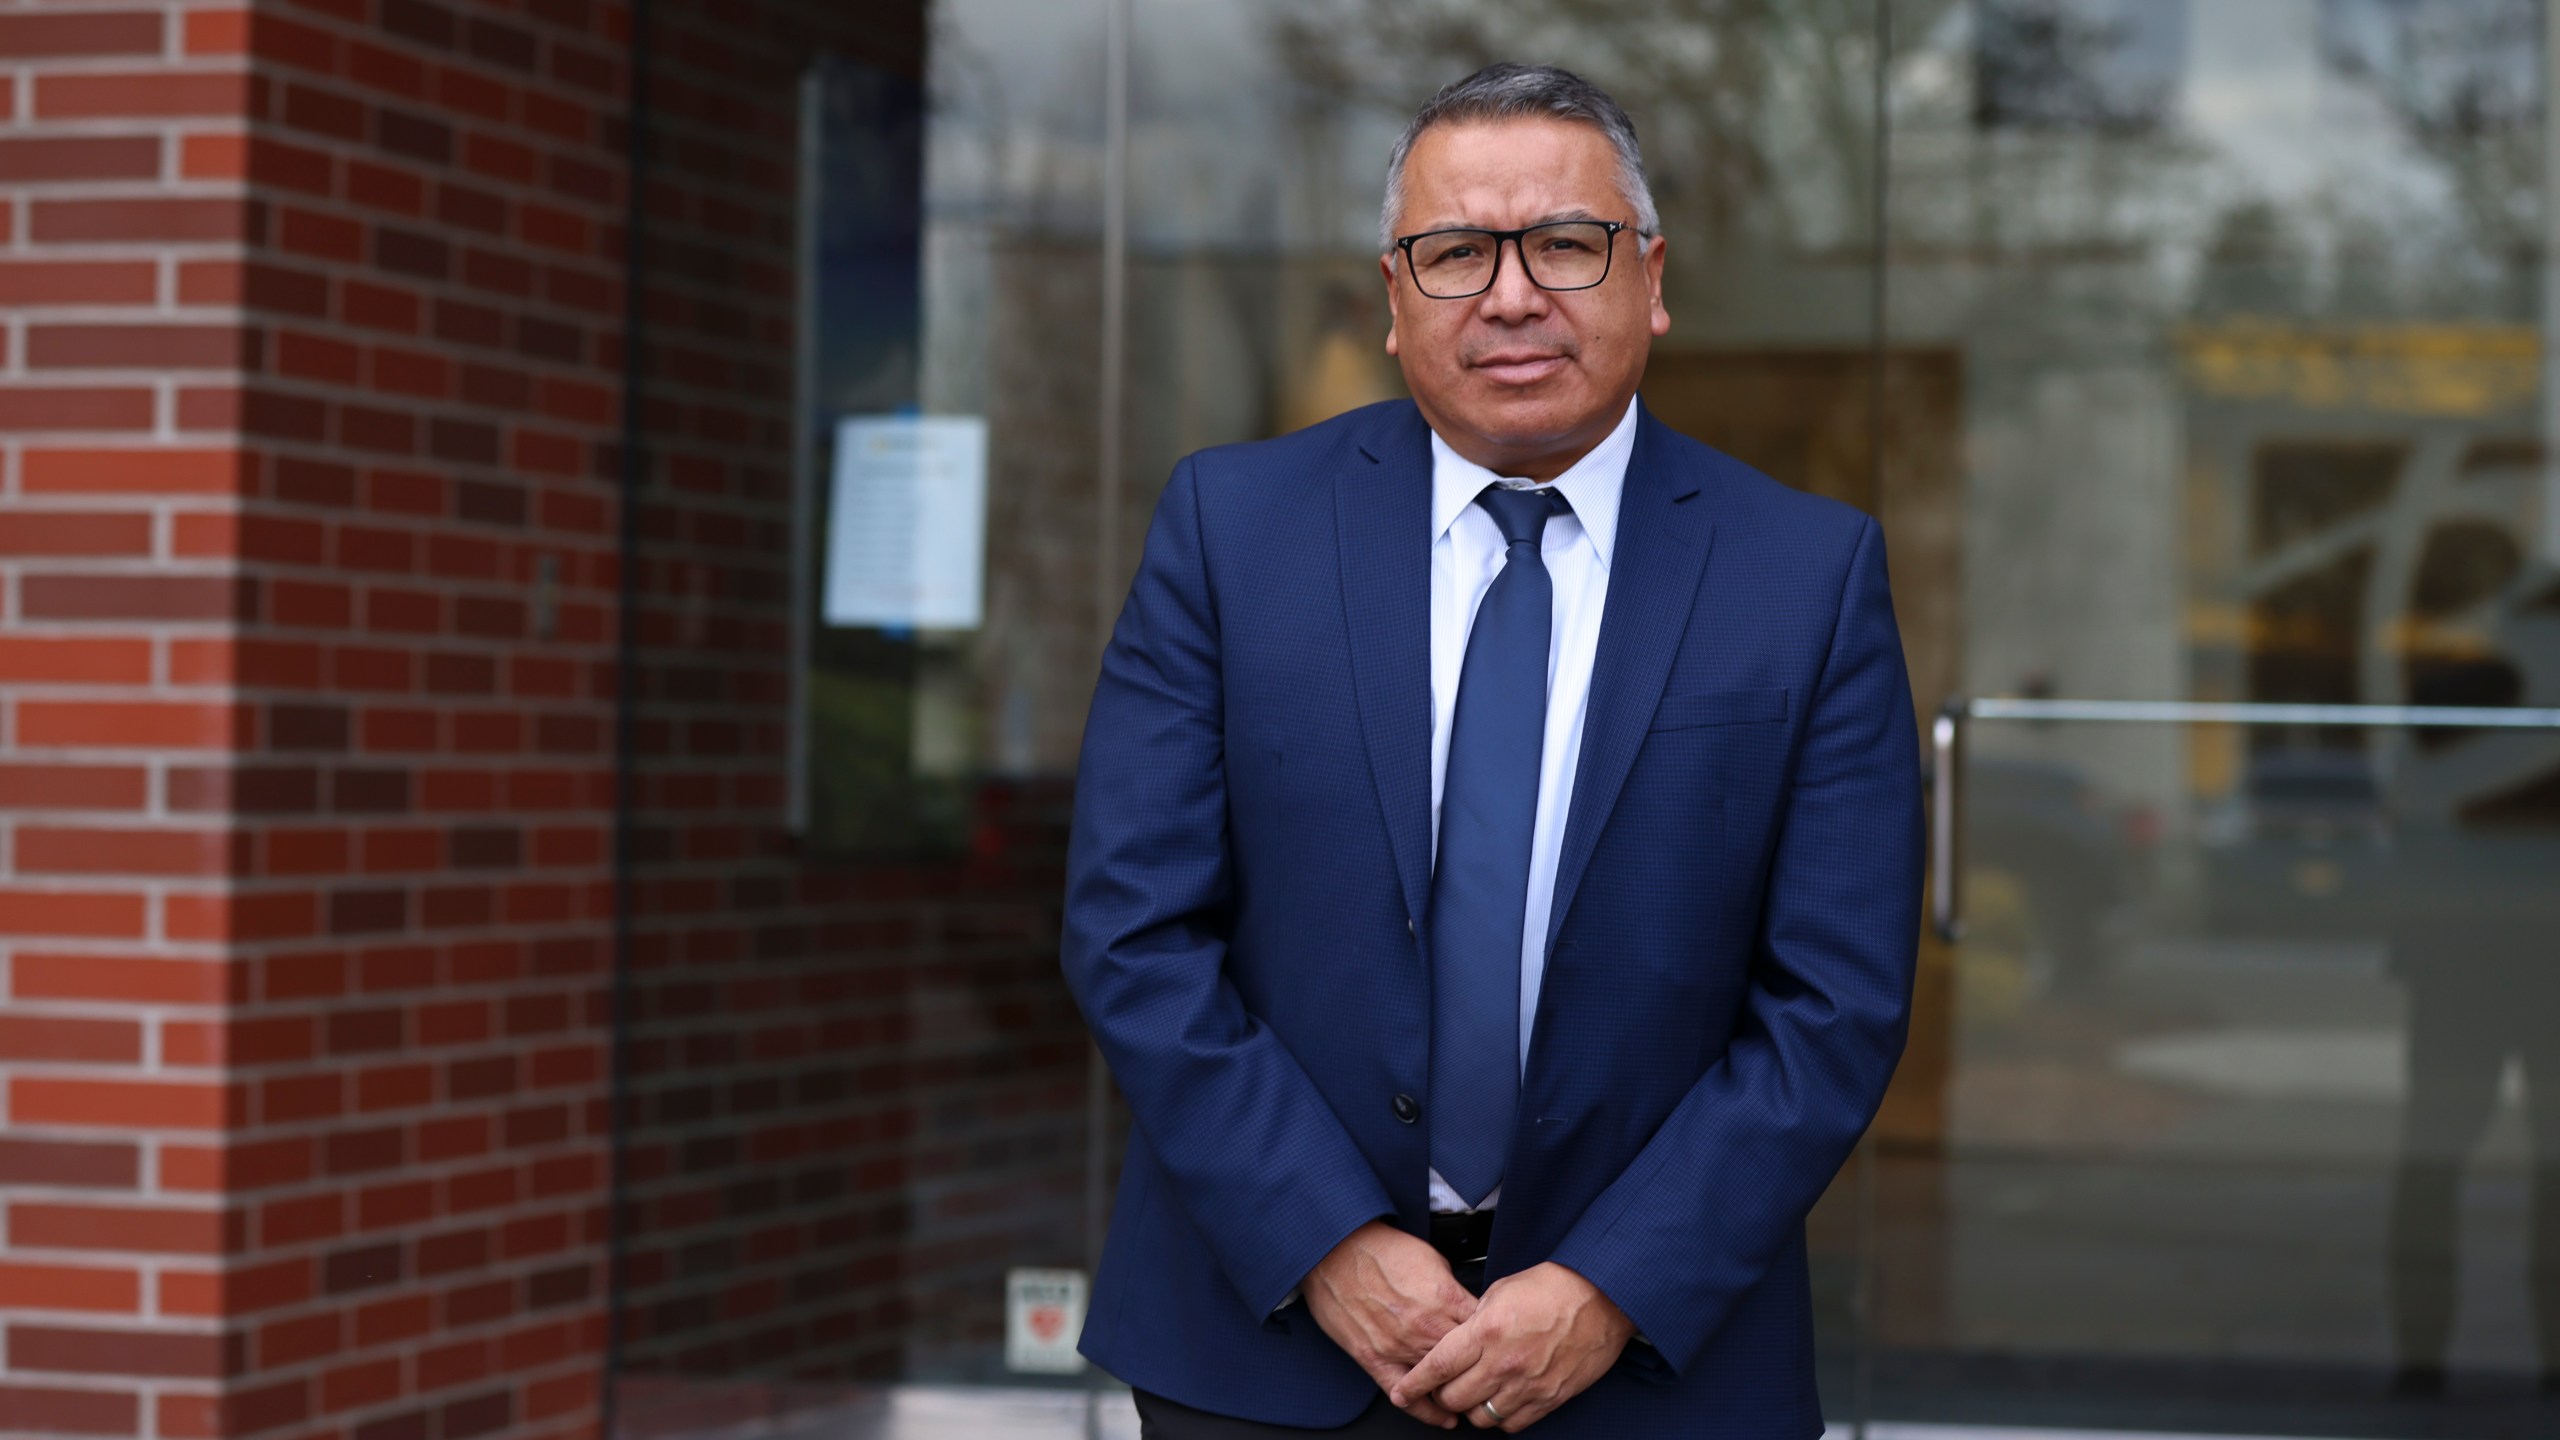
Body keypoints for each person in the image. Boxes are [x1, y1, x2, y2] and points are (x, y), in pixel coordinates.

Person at [1062, 62, 1922, 1436]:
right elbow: (1133, 931)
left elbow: (1836, 1002)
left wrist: (1608, 1286)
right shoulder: (1232, 531)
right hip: (1271, 1344)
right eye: (1456, 251)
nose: (1511, 294)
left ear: (1650, 278)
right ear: (1395, 302)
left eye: (1564, 245)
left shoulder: (1805, 576)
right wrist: (1326, 1244)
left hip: (1649, 1367)